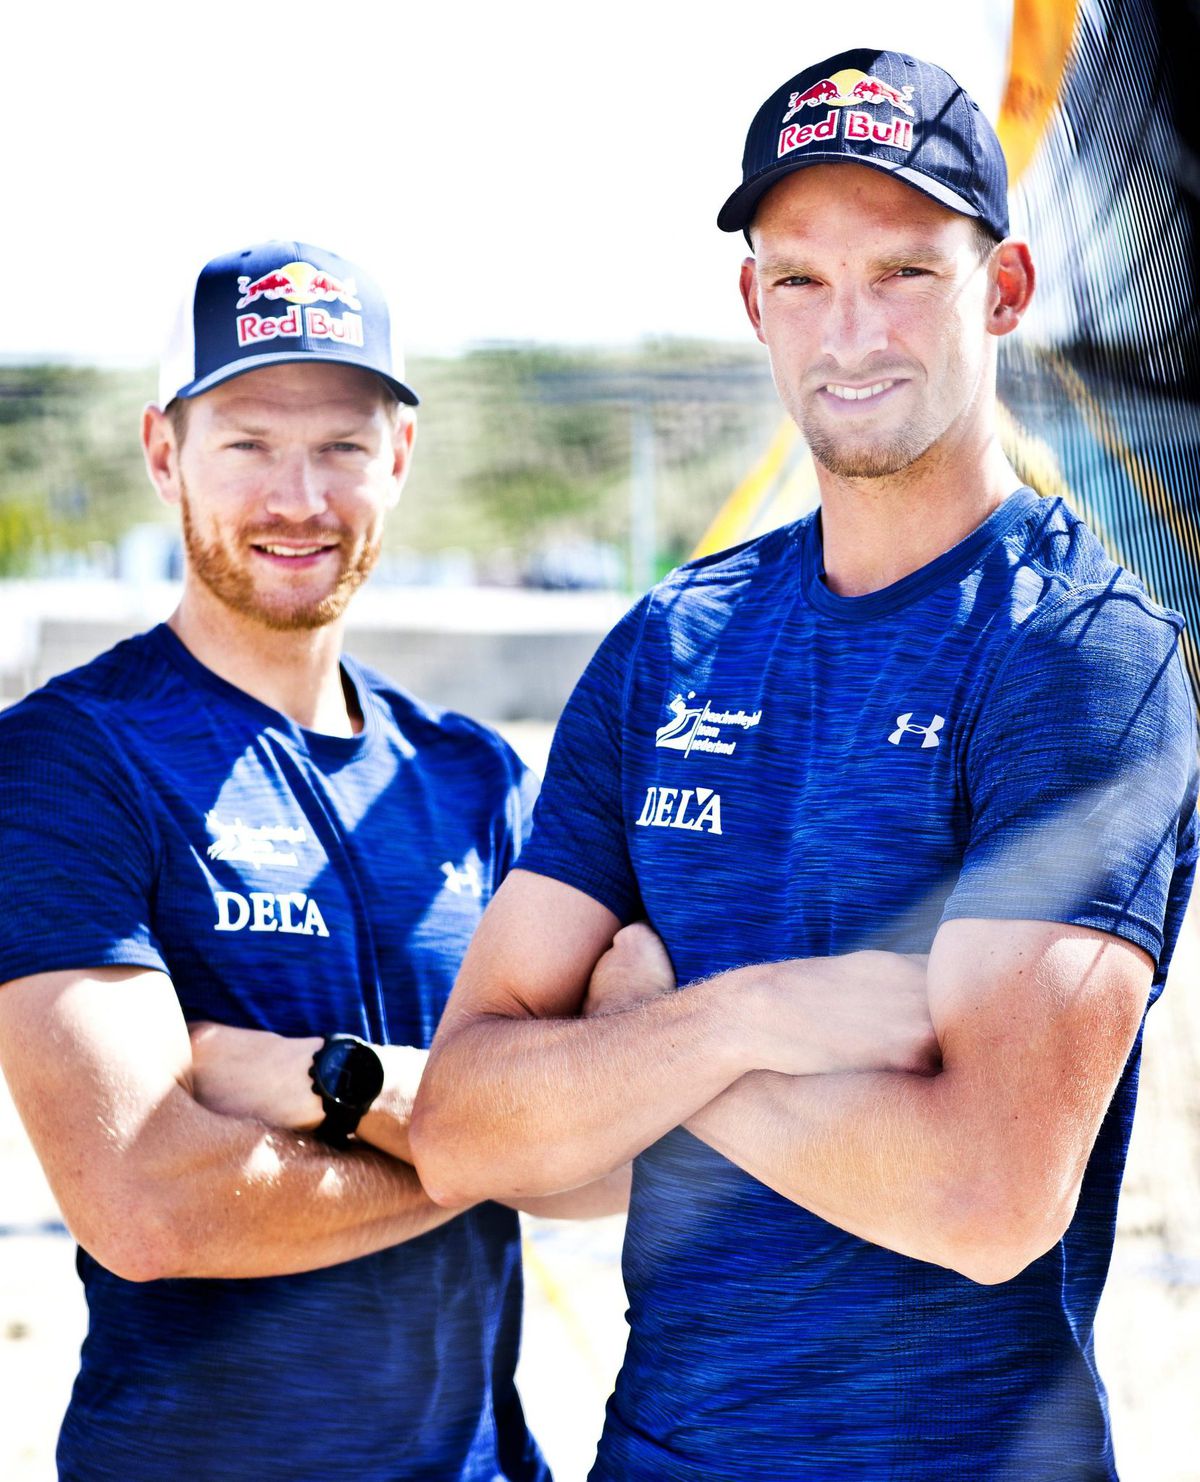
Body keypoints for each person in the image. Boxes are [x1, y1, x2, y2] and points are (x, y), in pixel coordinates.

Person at [409, 49, 1200, 1481]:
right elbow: (465, 1127)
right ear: (750, 302)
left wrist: (647, 1035)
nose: (852, 334)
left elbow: (986, 1191)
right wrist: (746, 1019)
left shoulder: (1079, 656)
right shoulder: (671, 645)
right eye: (801, 279)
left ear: (1004, 289)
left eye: (904, 271)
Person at [0, 240, 625, 1482]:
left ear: (397, 459)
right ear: (164, 452)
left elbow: (610, 1166)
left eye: (340, 446)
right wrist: (490, 1140)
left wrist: (326, 1084)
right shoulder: (66, 762)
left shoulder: (474, 777)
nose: (299, 497)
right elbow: (150, 1206)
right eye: (247, 443)